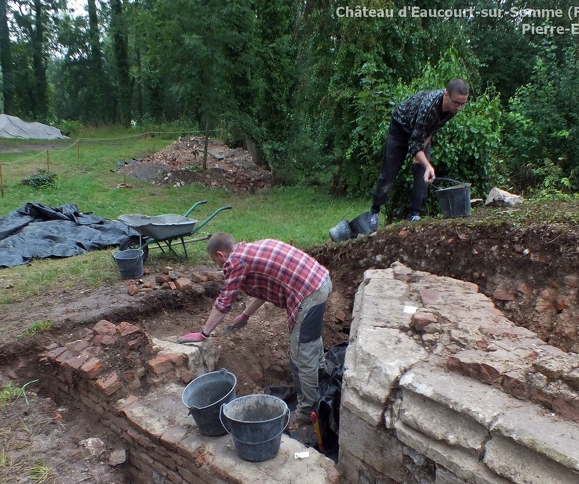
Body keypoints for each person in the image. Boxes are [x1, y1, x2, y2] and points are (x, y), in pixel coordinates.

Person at [178, 233, 332, 433]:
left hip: (308, 292)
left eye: (216, 262)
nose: (219, 267)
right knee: (310, 342)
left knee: (303, 355)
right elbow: (265, 287)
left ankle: (306, 411)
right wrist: (245, 315)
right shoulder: (251, 250)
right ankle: (323, 379)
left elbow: (224, 303)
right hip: (320, 281)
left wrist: (203, 334)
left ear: (220, 254)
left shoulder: (234, 261)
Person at [368, 78, 469, 232]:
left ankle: (414, 215)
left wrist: (421, 151)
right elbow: (413, 143)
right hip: (400, 129)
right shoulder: (429, 107)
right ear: (446, 95)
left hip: (420, 134)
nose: (459, 107)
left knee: (423, 174)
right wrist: (424, 160)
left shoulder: (452, 108)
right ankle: (374, 211)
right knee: (388, 175)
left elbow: (433, 128)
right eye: (457, 103)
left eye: (463, 103)